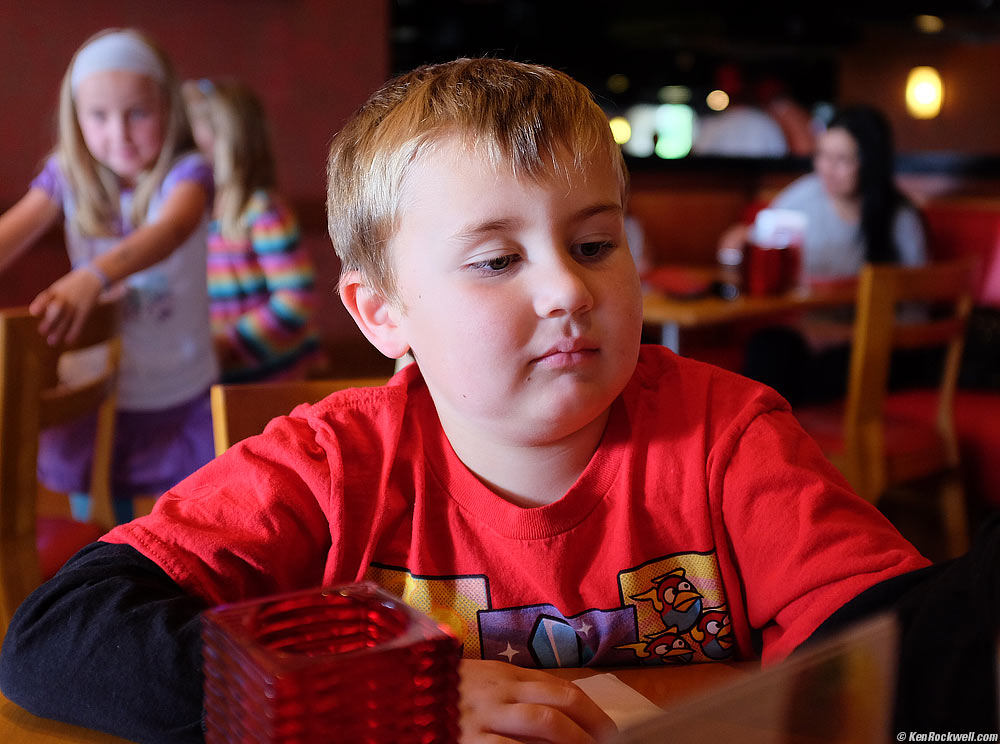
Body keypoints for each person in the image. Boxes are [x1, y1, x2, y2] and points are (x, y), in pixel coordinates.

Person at [1, 58, 933, 744]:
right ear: (384, 314)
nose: (568, 290)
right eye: (497, 260)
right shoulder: (331, 466)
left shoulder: (729, 437)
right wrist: (388, 697)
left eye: (596, 245)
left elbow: (901, 652)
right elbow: (58, 639)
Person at [0, 28, 217, 523]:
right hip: (98, 390)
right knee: (97, 519)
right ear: (75, 120)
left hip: (176, 387)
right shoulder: (67, 176)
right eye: (98, 116)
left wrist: (92, 276)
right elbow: (16, 229)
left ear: (168, 109)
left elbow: (171, 229)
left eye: (137, 113)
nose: (117, 133)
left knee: (183, 516)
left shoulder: (187, 174)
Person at [721, 105, 927, 405]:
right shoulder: (806, 194)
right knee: (766, 348)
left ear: (871, 162)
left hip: (876, 346)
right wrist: (736, 242)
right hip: (812, 335)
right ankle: (756, 444)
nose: (827, 169)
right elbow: (754, 238)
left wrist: (842, 335)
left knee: (797, 374)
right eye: (822, 155)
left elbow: (917, 314)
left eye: (842, 159)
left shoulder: (900, 218)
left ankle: (776, 442)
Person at [182, 78, 319, 383]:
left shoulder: (262, 212)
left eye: (199, 150)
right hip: (222, 376)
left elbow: (296, 299)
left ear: (228, 145)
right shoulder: (202, 212)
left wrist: (231, 342)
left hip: (270, 378)